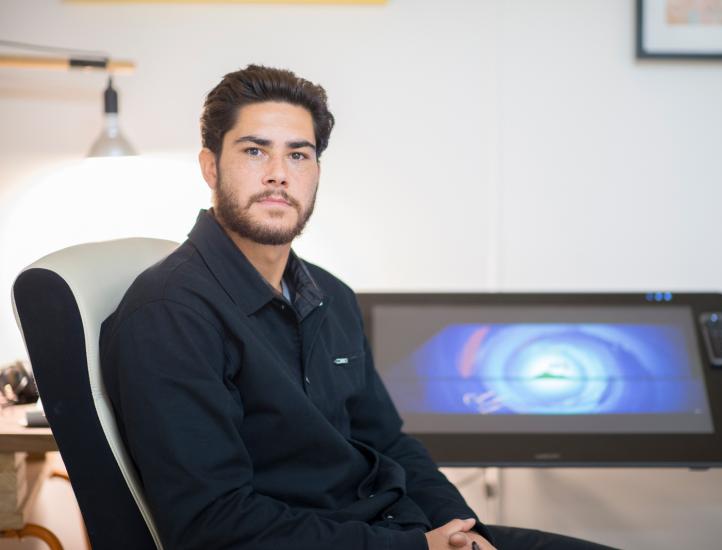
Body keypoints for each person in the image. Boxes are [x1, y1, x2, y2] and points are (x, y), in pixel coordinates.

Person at [100, 65, 614, 550]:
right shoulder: (171, 313)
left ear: (316, 171)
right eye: (255, 152)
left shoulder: (329, 295)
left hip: (391, 528)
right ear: (210, 166)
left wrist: (461, 531)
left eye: (298, 155)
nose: (279, 174)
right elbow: (213, 524)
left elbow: (389, 443)